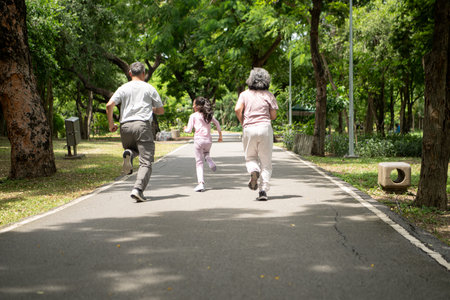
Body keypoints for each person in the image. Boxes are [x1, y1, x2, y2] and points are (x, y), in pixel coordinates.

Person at [106, 62, 164, 202]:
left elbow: (109, 105)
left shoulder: (123, 88)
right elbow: (161, 110)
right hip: (142, 125)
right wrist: (152, 109)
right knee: (146, 161)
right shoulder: (149, 88)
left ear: (130, 73)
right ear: (143, 73)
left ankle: (129, 154)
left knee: (132, 148)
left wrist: (111, 124)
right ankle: (138, 189)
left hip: (125, 126)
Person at [234, 68, 278, 201]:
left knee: (250, 157)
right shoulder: (269, 95)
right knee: (266, 162)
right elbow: (274, 116)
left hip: (249, 129)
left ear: (250, 80)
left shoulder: (244, 94)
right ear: (266, 80)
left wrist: (243, 122)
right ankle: (263, 190)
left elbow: (237, 109)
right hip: (265, 128)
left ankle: (253, 171)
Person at [184, 96, 223, 192]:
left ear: (197, 106)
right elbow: (217, 123)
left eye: (194, 104)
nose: (193, 106)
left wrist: (185, 129)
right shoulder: (208, 115)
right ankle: (209, 159)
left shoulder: (193, 116)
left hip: (198, 140)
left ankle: (201, 184)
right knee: (206, 153)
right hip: (208, 140)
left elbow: (189, 131)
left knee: (199, 163)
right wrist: (220, 135)